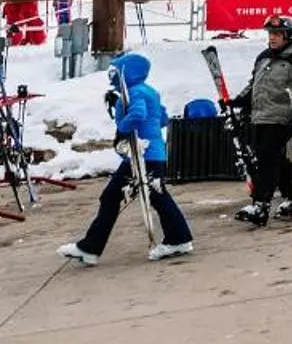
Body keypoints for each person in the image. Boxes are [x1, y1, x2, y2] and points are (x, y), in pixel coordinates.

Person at [61, 51, 193, 265]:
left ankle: (91, 247)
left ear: (126, 72)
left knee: (120, 197)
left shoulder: (135, 92)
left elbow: (138, 114)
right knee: (147, 197)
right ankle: (178, 238)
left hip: (142, 155)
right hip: (150, 153)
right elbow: (162, 117)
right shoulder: (148, 91)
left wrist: (123, 130)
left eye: (115, 71)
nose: (111, 75)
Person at [232, 17, 292, 226]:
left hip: (283, 117)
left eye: (277, 34)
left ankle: (261, 204)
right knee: (273, 158)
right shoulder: (263, 57)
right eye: (270, 34)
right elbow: (254, 84)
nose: (272, 38)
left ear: (287, 35)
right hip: (261, 116)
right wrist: (237, 101)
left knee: (267, 158)